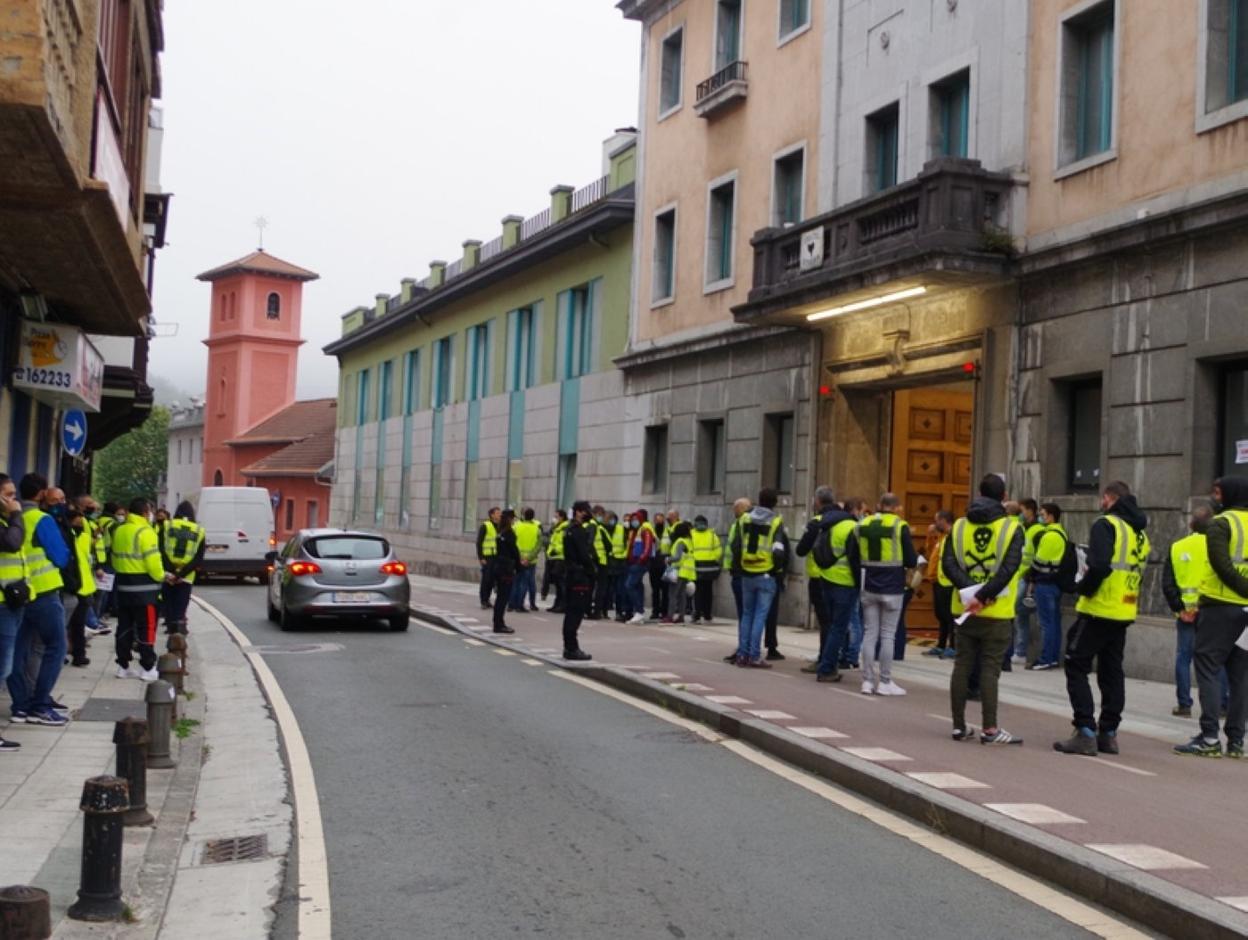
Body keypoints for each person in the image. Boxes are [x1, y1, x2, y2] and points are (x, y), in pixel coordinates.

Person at [1053, 481, 1150, 757]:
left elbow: (1099, 566)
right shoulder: (1139, 533)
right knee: (1111, 671)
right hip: (1124, 609)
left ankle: (1084, 730)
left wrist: (1081, 587)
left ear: (1109, 498)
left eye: (1102, 498)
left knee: (1075, 662)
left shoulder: (1106, 524)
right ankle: (1108, 733)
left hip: (1099, 607)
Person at [943, 474, 1026, 745]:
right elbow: (1009, 568)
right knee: (990, 669)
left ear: (979, 493)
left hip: (964, 609)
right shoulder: (1012, 528)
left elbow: (949, 565)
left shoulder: (958, 526)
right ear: (1003, 497)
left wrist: (971, 592)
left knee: (962, 665)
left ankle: (958, 726)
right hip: (996, 612)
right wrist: (985, 595)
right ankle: (990, 729)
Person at [1174, 478, 1248, 758]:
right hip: (1245, 612)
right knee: (1240, 675)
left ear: (1230, 494)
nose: (1214, 497)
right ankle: (1237, 741)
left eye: (1217, 493)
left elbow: (1221, 564)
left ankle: (1209, 738)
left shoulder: (1222, 523)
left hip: (1220, 607)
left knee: (1207, 667)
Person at [7, 473, 71, 726]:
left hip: (17, 593)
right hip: (43, 593)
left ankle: (20, 705)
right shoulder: (41, 519)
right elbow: (61, 556)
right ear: (43, 493)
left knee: (17, 651)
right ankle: (40, 705)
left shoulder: (12, 518)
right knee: (56, 647)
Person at [1162, 501, 1228, 719]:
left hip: (1187, 614)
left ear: (1191, 524)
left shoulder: (1177, 547)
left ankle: (1184, 704)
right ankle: (1221, 705)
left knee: (1184, 658)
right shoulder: (1220, 545)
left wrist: (1180, 609)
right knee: (1217, 659)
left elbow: (1168, 583)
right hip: (1212, 611)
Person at [857, 493, 917, 696]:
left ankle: (866, 681)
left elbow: (852, 554)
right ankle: (885, 682)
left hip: (868, 584)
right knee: (888, 635)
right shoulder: (900, 526)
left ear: (879, 504)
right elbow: (911, 559)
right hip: (892, 585)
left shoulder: (862, 524)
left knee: (869, 633)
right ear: (897, 507)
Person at [111, 497, 170, 681]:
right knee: (147, 628)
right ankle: (147, 667)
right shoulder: (146, 532)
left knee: (124, 627)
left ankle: (123, 665)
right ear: (145, 512)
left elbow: (113, 557)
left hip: (123, 585)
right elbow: (153, 562)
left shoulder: (119, 530)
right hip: (144, 589)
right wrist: (163, 576)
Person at [730, 488, 789, 668]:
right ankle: (755, 656)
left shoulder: (744, 519)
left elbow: (736, 546)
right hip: (766, 573)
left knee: (747, 614)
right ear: (775, 503)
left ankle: (742, 654)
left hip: (747, 572)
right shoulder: (776, 521)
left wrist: (741, 567)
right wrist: (776, 570)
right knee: (760, 616)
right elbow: (779, 550)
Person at [808, 490, 861, 685]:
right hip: (845, 583)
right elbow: (855, 559)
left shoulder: (827, 524)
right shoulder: (851, 527)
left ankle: (827, 664)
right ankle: (827, 668)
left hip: (825, 579)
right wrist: (860, 584)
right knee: (839, 628)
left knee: (831, 626)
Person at [797, 487, 841, 673]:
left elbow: (801, 550)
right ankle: (833, 658)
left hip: (819, 577)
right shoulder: (844, 521)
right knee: (837, 622)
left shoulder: (816, 523)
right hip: (843, 578)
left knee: (825, 622)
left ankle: (825, 659)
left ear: (818, 501)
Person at [1027, 502, 1071, 671]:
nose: (1040, 517)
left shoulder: (1050, 535)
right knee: (1054, 623)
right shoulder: (1061, 533)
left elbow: (1038, 562)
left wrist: (1031, 577)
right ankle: (1052, 658)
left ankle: (1045, 658)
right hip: (1056, 583)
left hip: (1045, 583)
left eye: (1043, 514)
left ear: (1051, 516)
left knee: (1046, 623)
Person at [0, 473, 26, 751]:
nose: (14, 501)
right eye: (8, 495)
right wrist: (16, 516)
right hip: (1, 606)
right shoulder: (8, 522)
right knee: (2, 667)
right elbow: (12, 543)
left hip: (11, 602)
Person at [161, 500, 206, 635]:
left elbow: (160, 550)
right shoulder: (199, 531)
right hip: (186, 577)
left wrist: (172, 571)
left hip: (168, 574)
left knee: (169, 607)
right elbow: (198, 558)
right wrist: (181, 574)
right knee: (180, 609)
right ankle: (179, 638)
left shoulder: (167, 525)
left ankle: (170, 632)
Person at [561, 501, 598, 660]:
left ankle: (569, 647)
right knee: (575, 613)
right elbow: (584, 555)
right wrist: (592, 570)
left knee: (571, 612)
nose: (588, 514)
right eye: (585, 511)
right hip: (579, 576)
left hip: (571, 574)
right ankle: (572, 648)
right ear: (578, 512)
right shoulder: (578, 531)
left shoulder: (568, 530)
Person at [64, 507, 98, 667]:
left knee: (77, 624)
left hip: (84, 586)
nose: (79, 524)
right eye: (76, 521)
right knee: (69, 623)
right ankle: (70, 652)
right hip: (73, 586)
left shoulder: (84, 537)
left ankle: (78, 654)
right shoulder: (66, 537)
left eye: (81, 521)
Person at [1013, 498, 1043, 665]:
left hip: (1029, 577)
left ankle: (1023, 650)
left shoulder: (1036, 529)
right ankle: (1021, 650)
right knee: (1020, 614)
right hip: (1022, 575)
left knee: (1023, 612)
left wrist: (1031, 577)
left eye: (1022, 510)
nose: (1021, 514)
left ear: (1030, 510)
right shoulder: (1024, 527)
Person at [923, 511, 957, 659]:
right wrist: (930, 537)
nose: (934, 524)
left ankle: (952, 646)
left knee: (950, 616)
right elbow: (931, 554)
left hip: (949, 582)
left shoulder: (954, 535)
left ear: (944, 521)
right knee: (941, 615)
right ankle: (941, 644)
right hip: (938, 579)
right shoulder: (941, 537)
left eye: (937, 521)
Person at [624, 509, 656, 625]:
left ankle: (639, 611)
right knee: (637, 585)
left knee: (629, 585)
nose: (633, 521)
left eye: (636, 519)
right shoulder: (636, 531)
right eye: (632, 520)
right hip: (634, 561)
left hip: (640, 562)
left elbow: (647, 546)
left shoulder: (645, 530)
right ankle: (639, 612)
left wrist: (642, 559)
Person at [490, 510, 519, 635]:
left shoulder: (499, 532)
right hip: (506, 568)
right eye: (513, 519)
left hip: (498, 566)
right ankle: (499, 624)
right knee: (503, 597)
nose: (514, 521)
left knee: (500, 597)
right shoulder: (509, 533)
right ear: (510, 519)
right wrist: (519, 566)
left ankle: (498, 622)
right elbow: (514, 551)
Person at [689, 515, 722, 623]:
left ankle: (697, 614)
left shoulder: (691, 534)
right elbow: (718, 551)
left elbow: (688, 550)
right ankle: (707, 614)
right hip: (710, 567)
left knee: (697, 592)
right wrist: (712, 558)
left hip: (696, 566)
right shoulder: (712, 535)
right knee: (708, 592)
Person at [509, 508, 541, 613]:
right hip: (530, 561)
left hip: (517, 559)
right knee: (525, 583)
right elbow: (538, 546)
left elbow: (512, 543)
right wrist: (529, 558)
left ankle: (511, 604)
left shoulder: (516, 526)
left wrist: (519, 558)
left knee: (515, 582)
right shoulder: (537, 529)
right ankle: (520, 605)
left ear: (523, 516)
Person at [664, 521, 694, 624]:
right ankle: (681, 616)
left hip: (678, 570)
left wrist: (668, 559)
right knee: (682, 596)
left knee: (672, 595)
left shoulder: (680, 541)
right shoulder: (689, 541)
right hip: (686, 572)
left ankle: (670, 616)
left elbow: (677, 557)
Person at [542, 510, 568, 613]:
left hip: (560, 558)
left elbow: (563, 543)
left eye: (556, 517)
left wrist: (555, 550)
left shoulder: (565, 527)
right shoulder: (556, 528)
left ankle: (563, 604)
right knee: (557, 583)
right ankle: (557, 604)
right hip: (553, 558)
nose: (554, 519)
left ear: (562, 517)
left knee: (561, 583)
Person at [476, 507, 501, 610]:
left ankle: (488, 599)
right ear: (492, 515)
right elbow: (479, 542)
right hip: (487, 557)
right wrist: (481, 557)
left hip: (496, 557)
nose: (500, 515)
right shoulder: (486, 526)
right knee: (486, 579)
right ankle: (483, 600)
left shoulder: (500, 526)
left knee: (492, 580)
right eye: (498, 513)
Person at [589, 506, 612, 619]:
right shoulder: (594, 526)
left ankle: (594, 610)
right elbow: (592, 543)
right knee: (600, 588)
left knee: (595, 587)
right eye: (600, 514)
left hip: (598, 560)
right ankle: (596, 611)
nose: (601, 517)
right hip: (599, 560)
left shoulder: (597, 526)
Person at [608, 512, 630, 621]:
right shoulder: (608, 529)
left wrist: (624, 556)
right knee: (612, 588)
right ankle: (614, 610)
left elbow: (627, 545)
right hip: (611, 561)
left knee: (621, 589)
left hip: (621, 562)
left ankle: (620, 611)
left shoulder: (622, 529)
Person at [649, 512, 669, 621]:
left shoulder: (668, 531)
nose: (659, 522)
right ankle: (655, 611)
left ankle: (664, 611)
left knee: (665, 590)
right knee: (655, 590)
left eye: (661, 520)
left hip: (665, 564)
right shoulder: (651, 532)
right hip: (654, 564)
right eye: (657, 520)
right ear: (654, 521)